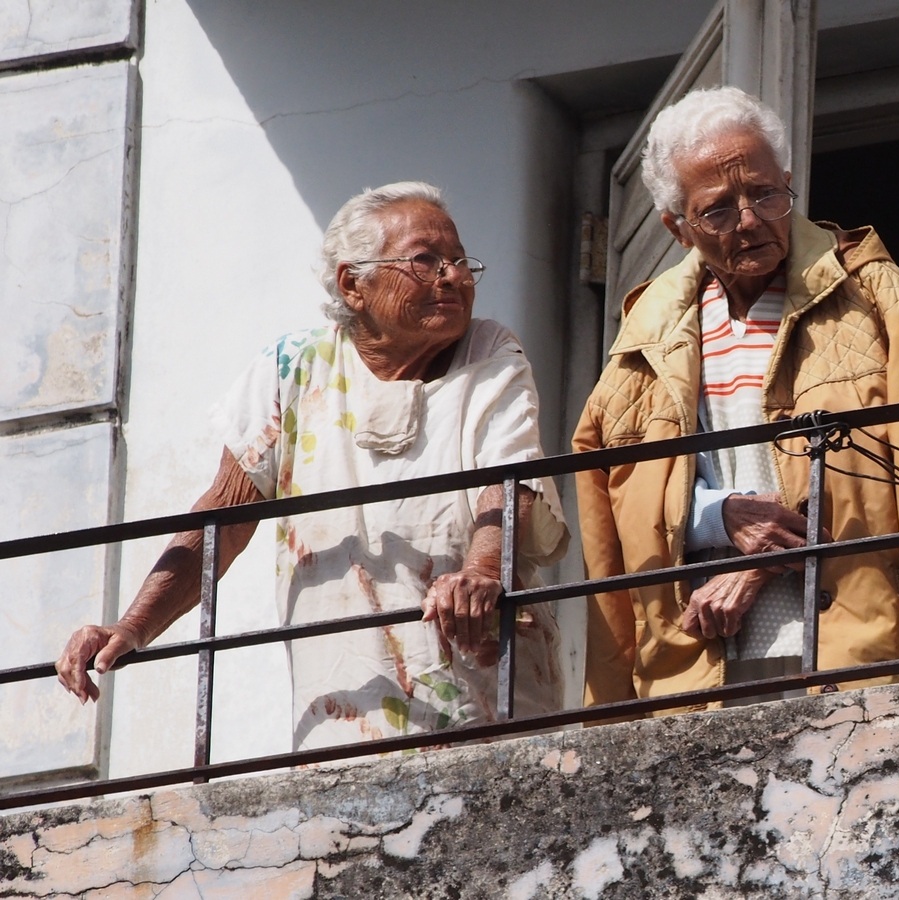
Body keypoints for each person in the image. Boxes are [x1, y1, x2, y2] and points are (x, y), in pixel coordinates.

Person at [57, 181, 568, 749]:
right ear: (353, 284)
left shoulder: (489, 350)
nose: (454, 277)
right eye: (426, 260)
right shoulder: (292, 369)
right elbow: (224, 514)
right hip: (345, 708)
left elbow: (509, 479)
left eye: (460, 261)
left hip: (485, 697)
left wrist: (482, 571)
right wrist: (131, 626)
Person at [573, 86, 899, 712]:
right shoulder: (647, 337)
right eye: (717, 210)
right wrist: (718, 515)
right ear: (677, 228)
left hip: (850, 649)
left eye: (766, 194)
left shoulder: (869, 295)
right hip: (696, 665)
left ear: (790, 184)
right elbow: (617, 503)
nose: (750, 220)